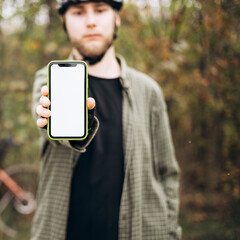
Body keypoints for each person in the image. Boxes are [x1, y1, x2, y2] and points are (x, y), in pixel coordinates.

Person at [31, 0, 182, 239]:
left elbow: (167, 172)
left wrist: (171, 231)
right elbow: (50, 127)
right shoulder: (49, 81)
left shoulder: (148, 91)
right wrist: (51, 118)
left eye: (100, 10)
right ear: (64, 23)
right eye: (79, 12)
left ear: (117, 18)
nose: (90, 21)